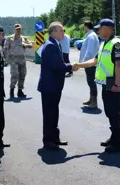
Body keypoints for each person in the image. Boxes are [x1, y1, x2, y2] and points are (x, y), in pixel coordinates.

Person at [75, 19, 120, 153]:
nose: (98, 31)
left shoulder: (116, 44)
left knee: (114, 114)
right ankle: (114, 138)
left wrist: (116, 84)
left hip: (114, 85)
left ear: (108, 28)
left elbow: (118, 64)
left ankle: (117, 144)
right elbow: (94, 60)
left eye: (100, 28)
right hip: (106, 84)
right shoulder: (104, 43)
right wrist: (79, 65)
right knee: (110, 113)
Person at [37, 21, 78, 150]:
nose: (63, 33)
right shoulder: (50, 46)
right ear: (53, 32)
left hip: (54, 86)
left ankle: (54, 138)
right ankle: (48, 141)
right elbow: (56, 66)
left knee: (54, 112)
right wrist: (71, 66)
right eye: (61, 31)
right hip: (50, 87)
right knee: (49, 114)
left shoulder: (55, 44)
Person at [4, 24, 33, 98]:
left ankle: (20, 91)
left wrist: (25, 45)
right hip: (13, 59)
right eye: (17, 29)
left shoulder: (24, 38)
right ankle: (12, 90)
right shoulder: (10, 38)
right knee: (15, 74)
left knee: (22, 74)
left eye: (19, 29)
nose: (18, 30)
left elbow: (31, 45)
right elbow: (5, 48)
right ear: (14, 29)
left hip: (22, 59)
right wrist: (6, 59)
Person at [79, 20, 100, 108]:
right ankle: (91, 99)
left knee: (91, 82)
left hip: (90, 63)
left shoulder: (91, 36)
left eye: (84, 26)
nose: (84, 28)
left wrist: (83, 63)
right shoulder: (91, 35)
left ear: (86, 26)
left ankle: (94, 102)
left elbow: (89, 51)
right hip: (90, 63)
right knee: (90, 82)